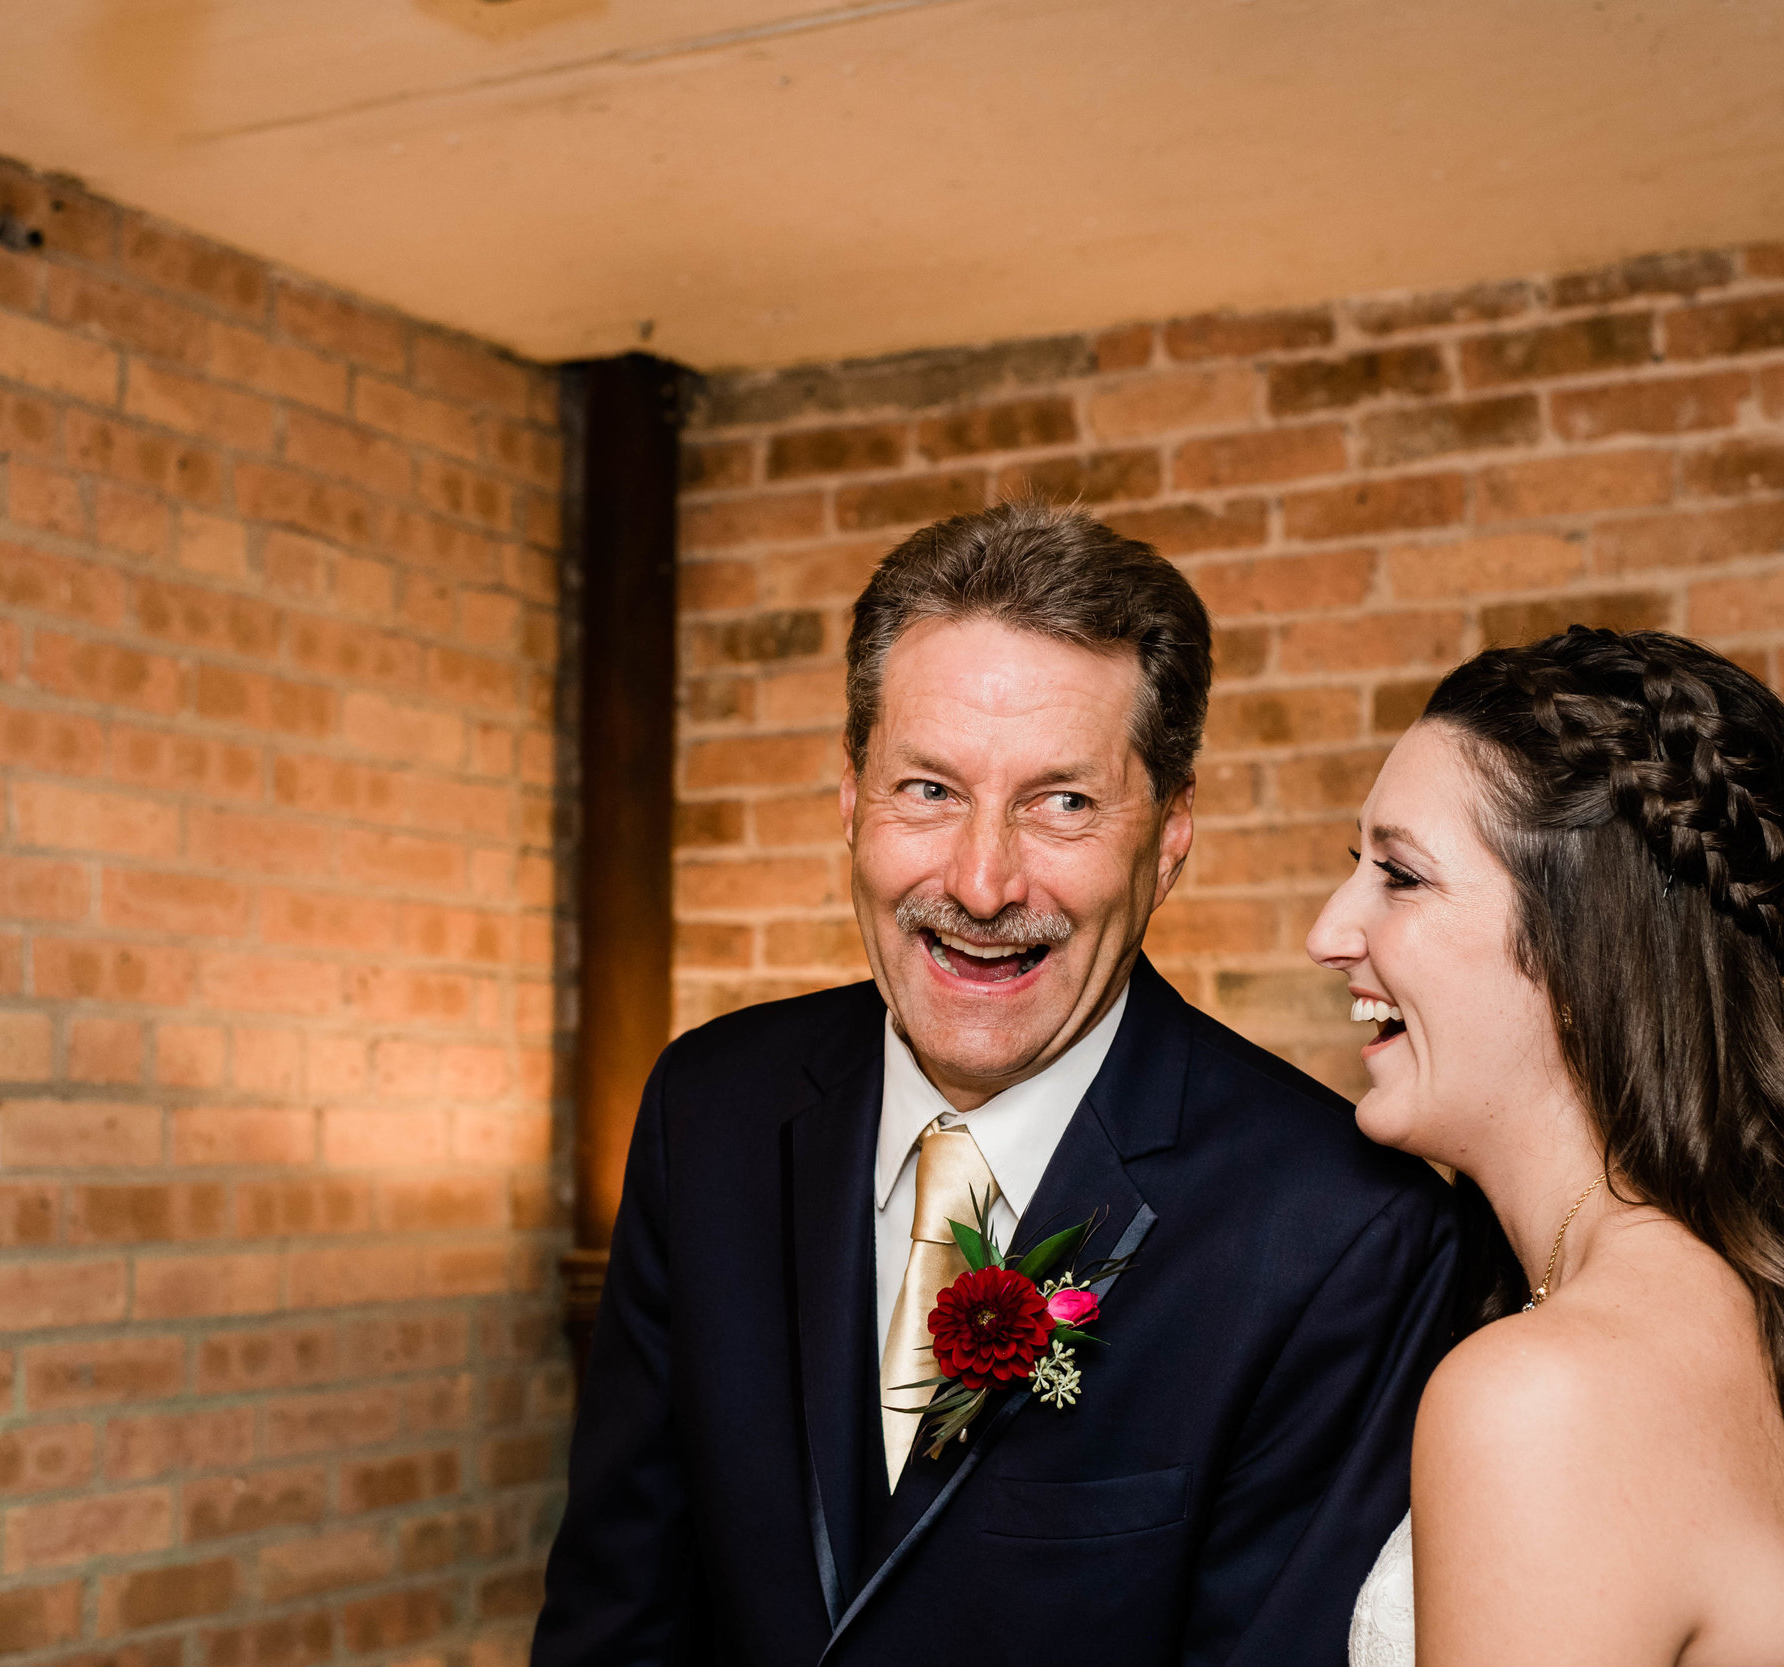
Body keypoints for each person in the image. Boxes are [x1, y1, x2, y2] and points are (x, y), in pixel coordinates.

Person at [531, 503, 1492, 1667]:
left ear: (1171, 833)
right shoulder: (711, 1106)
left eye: (1064, 802)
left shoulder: (1343, 1229)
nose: (982, 883)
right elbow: (617, 1612)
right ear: (849, 798)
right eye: (928, 789)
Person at [1311, 627, 1784, 1667]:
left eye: (1399, 874)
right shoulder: (1751, 1299)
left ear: (1584, 944)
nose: (1329, 928)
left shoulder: (1541, 1398)